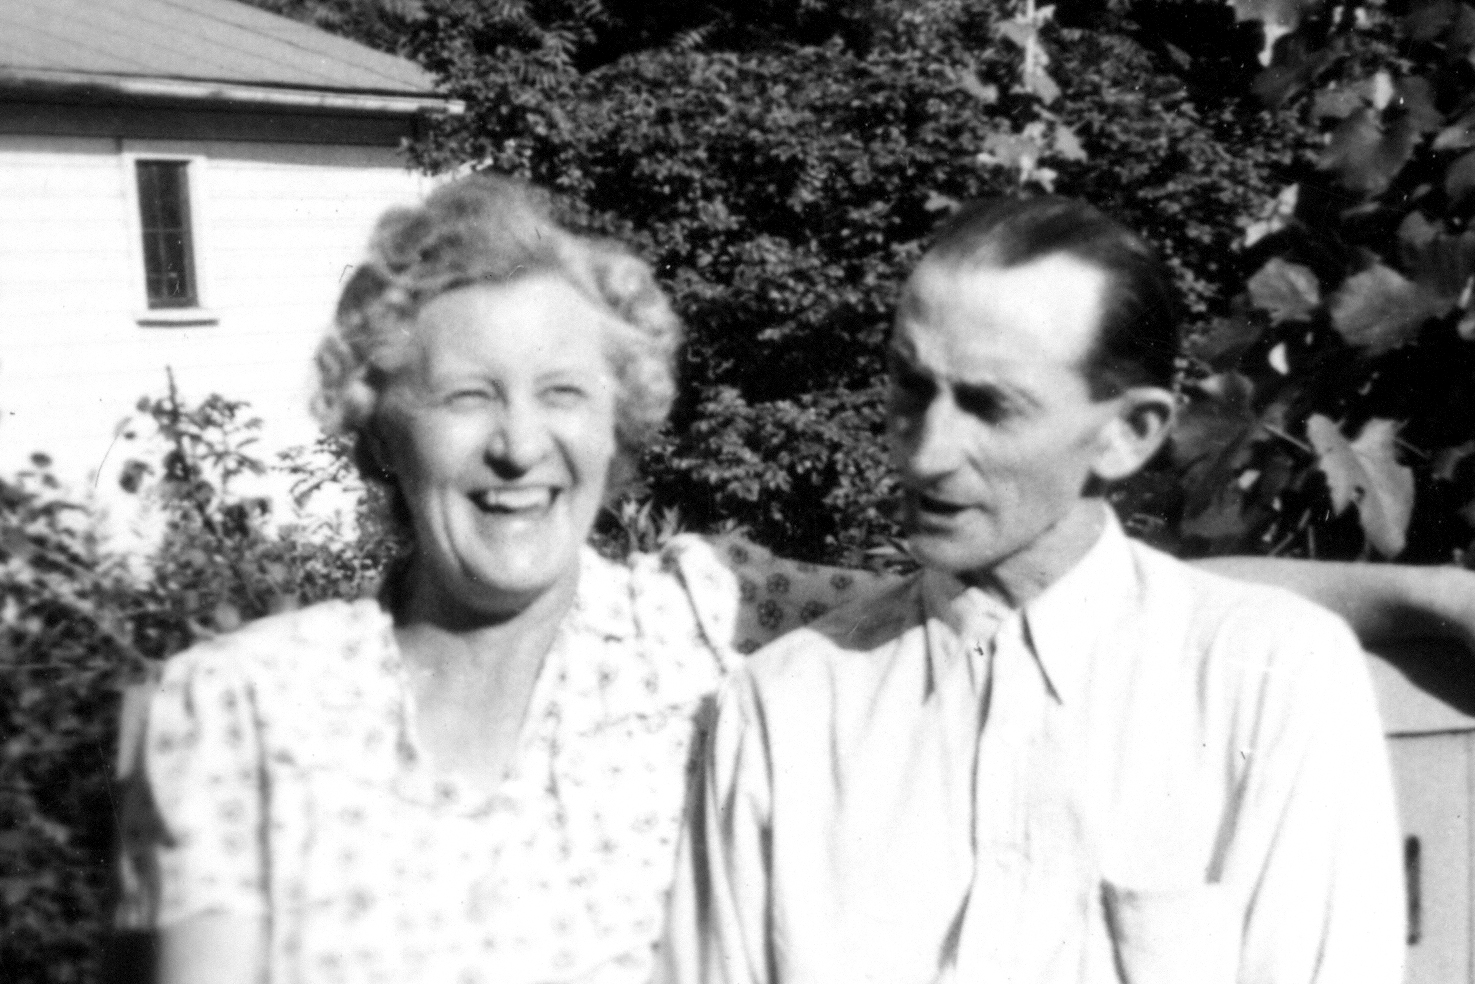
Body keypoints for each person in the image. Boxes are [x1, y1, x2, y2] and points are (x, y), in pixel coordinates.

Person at [116, 177, 1458, 984]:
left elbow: (1070, 596)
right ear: (377, 423)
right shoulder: (242, 706)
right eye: (467, 396)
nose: (519, 446)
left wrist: (1412, 600)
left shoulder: (705, 623)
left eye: (564, 393)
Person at [665, 196, 1407, 984]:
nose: (927, 453)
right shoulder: (781, 710)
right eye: (911, 387)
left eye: (991, 406)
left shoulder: (1270, 679)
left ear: (1128, 433)